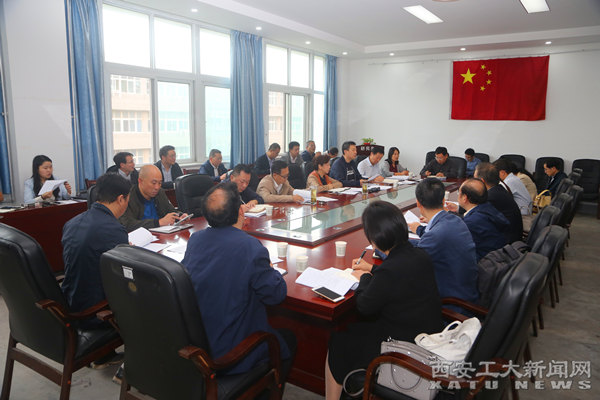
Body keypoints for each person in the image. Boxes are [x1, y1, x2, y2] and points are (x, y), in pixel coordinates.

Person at [325, 201, 441, 399]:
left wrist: (364, 277)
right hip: (424, 335)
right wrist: (372, 269)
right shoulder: (419, 254)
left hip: (401, 347)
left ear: (374, 239)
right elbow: (398, 276)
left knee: (338, 342)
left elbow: (364, 306)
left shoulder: (390, 270)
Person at [182, 182, 296, 378]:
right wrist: (270, 269)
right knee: (287, 340)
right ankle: (264, 388)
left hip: (199, 344)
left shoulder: (196, 240)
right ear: (240, 211)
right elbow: (276, 295)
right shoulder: (250, 247)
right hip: (231, 353)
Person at [61, 173, 130, 325]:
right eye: (127, 200)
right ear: (120, 199)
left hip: (68, 302)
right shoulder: (114, 230)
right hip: (94, 313)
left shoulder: (71, 223)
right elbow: (123, 278)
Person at [407, 178, 479, 306]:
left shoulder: (435, 235)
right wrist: (402, 241)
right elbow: (425, 246)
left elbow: (408, 266)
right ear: (443, 201)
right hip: (468, 293)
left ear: (418, 203)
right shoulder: (455, 220)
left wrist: (382, 249)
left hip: (453, 305)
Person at [450, 178, 509, 261]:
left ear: (464, 198)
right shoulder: (487, 207)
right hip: (499, 255)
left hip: (485, 263)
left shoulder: (472, 222)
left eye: (458, 192)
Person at [119, 165, 186, 231]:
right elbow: (127, 224)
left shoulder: (160, 192)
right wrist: (158, 222)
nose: (157, 187)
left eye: (160, 183)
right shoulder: (128, 197)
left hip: (161, 234)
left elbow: (170, 210)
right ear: (140, 181)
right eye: (153, 183)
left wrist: (180, 216)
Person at [475, 162, 523, 243]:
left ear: (482, 181)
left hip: (506, 243)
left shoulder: (490, 197)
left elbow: (475, 218)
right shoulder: (498, 189)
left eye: (475, 179)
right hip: (512, 237)